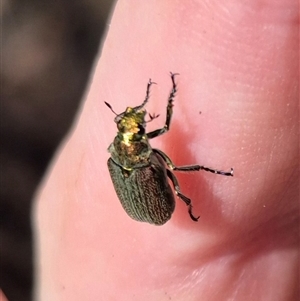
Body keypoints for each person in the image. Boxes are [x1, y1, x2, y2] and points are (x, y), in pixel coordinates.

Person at [33, 1, 299, 300]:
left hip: (143, 206)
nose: (138, 124)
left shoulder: (117, 160)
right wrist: (169, 100)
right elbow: (167, 133)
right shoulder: (141, 162)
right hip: (158, 207)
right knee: (173, 170)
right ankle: (199, 180)